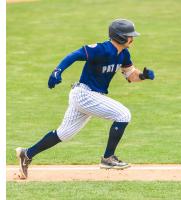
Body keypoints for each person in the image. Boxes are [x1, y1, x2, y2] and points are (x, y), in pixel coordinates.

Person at [16, 19, 155, 179]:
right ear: (121, 37)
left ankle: (27, 154)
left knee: (64, 134)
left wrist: (143, 76)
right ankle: (108, 158)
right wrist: (57, 71)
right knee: (123, 114)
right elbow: (74, 55)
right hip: (84, 94)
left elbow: (131, 75)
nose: (133, 39)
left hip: (89, 97)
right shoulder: (101, 49)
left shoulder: (123, 54)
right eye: (131, 36)